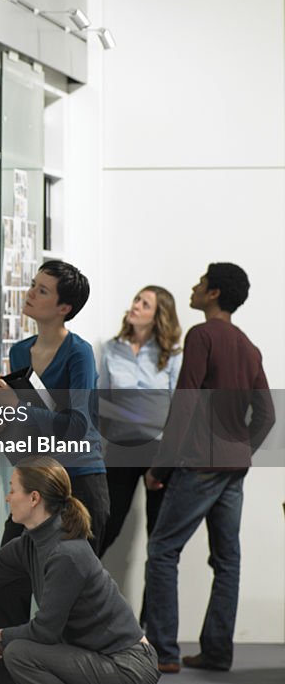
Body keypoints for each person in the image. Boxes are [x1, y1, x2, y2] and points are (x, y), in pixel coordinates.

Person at [143, 264, 274, 674]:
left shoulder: (202, 336)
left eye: (200, 283)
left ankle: (163, 651)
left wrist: (159, 467)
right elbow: (266, 415)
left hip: (199, 463)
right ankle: (217, 652)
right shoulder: (248, 346)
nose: (194, 287)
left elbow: (185, 404)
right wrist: (239, 449)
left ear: (214, 293)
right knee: (227, 560)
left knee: (163, 551)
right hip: (233, 468)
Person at [0, 259, 107, 684]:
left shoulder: (79, 354)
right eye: (33, 286)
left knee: (70, 601)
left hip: (79, 485)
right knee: (3, 583)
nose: (30, 295)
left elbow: (77, 426)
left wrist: (22, 407)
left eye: (42, 291)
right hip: (37, 479)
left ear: (64, 308)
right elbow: (23, 431)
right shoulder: (19, 353)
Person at [0, 457, 160, 684]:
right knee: (20, 649)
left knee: (20, 652)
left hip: (129, 665)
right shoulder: (32, 542)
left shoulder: (66, 553)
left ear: (34, 498)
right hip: (103, 658)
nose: (8, 498)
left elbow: (45, 631)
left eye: (13, 490)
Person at [97, 286, 182, 557]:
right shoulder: (112, 348)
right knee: (105, 527)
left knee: (158, 539)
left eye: (145, 304)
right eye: (136, 300)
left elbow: (179, 409)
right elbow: (99, 401)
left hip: (159, 450)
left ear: (159, 316)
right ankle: (80, 593)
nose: (135, 306)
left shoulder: (171, 355)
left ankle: (154, 602)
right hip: (121, 447)